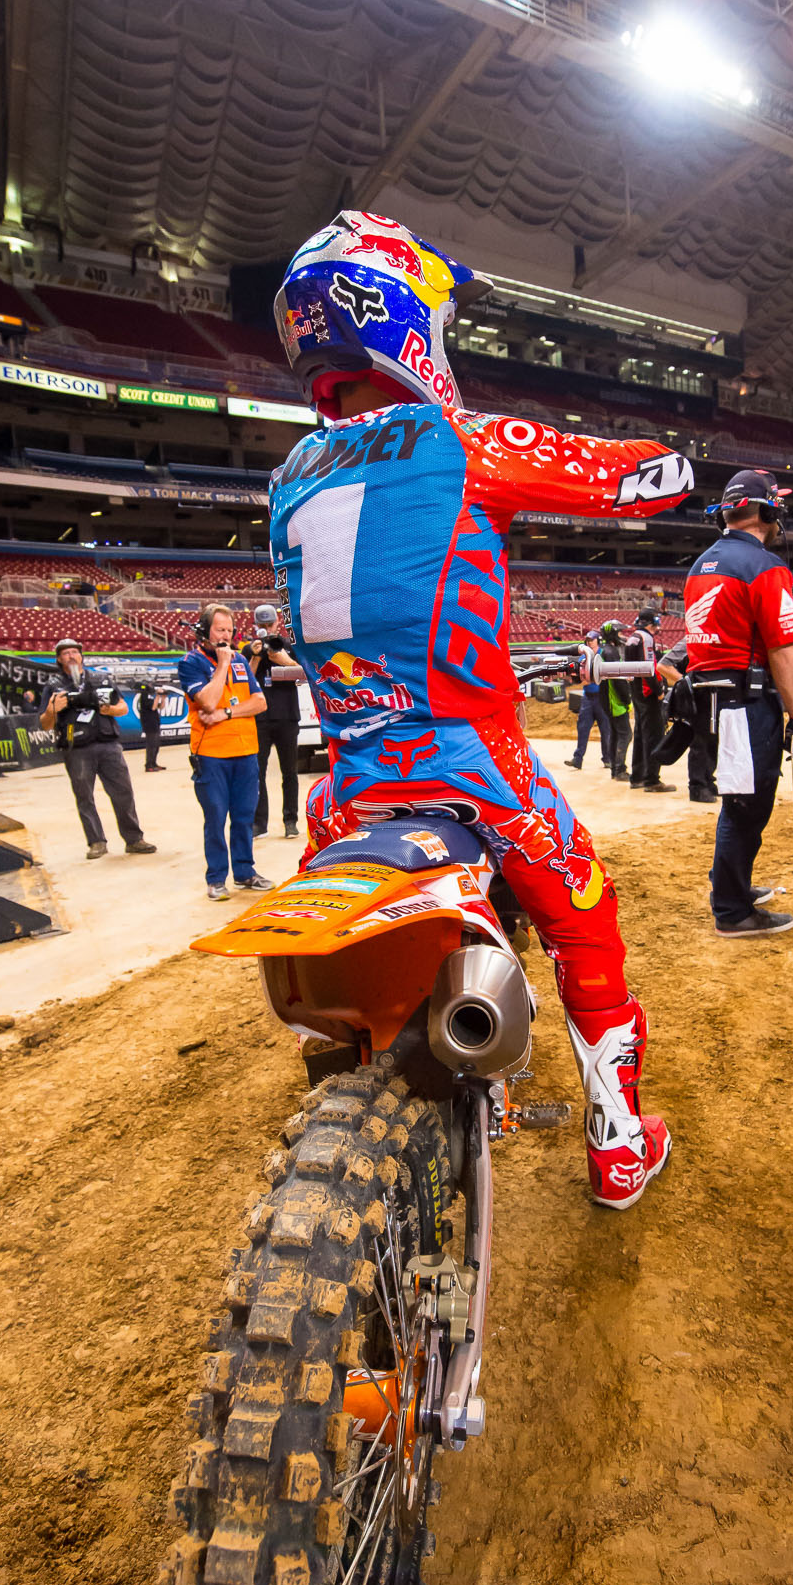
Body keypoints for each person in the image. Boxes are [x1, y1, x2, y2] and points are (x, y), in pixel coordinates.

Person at [270, 207, 694, 1208]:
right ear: (403, 317)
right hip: (472, 764)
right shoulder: (463, 438)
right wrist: (666, 456)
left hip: (347, 788)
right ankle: (618, 1142)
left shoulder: (285, 477)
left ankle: (366, 1060)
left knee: (319, 959)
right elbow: (647, 478)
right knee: (587, 918)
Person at [680, 469, 793, 937]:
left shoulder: (703, 564)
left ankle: (730, 885)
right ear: (768, 510)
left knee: (737, 800)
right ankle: (731, 910)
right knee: (748, 805)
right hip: (749, 703)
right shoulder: (765, 567)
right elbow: (784, 648)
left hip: (715, 701)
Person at [176, 605, 272, 900]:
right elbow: (206, 701)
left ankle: (245, 872)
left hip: (245, 750)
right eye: (220, 630)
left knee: (244, 816)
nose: (226, 636)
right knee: (216, 817)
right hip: (210, 754)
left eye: (230, 630)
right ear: (204, 631)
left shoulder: (242, 661)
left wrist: (226, 714)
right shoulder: (190, 663)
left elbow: (259, 703)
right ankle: (216, 878)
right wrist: (221, 665)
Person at [39, 640, 156, 860]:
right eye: (66, 653)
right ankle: (96, 842)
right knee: (85, 797)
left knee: (123, 792)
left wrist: (109, 709)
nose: (71, 656)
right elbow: (44, 723)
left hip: (108, 743)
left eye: (75, 652)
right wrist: (53, 710)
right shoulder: (53, 685)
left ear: (82, 656)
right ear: (58, 659)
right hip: (76, 748)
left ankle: (133, 839)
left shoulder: (100, 679)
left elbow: (123, 708)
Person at [247, 602, 302, 840]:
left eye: (269, 624)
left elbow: (304, 674)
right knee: (257, 773)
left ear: (277, 622)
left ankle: (291, 820)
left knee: (289, 771)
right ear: (255, 626)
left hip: (287, 716)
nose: (266, 629)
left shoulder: (287, 646)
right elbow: (243, 680)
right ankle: (260, 823)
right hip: (259, 719)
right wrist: (257, 658)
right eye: (262, 625)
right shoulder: (249, 650)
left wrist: (283, 660)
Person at [655, 641, 719, 802]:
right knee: (699, 741)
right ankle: (697, 787)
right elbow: (663, 666)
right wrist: (686, 683)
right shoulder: (690, 640)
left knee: (712, 740)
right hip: (694, 699)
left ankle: (708, 780)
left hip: (713, 695)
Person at [627, 605, 673, 793]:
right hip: (648, 693)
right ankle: (652, 779)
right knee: (653, 735)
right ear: (653, 621)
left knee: (640, 734)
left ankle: (637, 776)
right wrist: (659, 690)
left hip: (636, 692)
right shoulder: (645, 638)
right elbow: (649, 666)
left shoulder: (632, 637)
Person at [563, 628, 609, 772]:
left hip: (602, 698)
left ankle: (608, 759)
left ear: (598, 641)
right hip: (588, 698)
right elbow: (581, 679)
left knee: (606, 730)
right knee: (583, 728)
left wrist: (587, 679)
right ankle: (578, 759)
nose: (589, 642)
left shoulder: (604, 655)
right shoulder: (584, 658)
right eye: (587, 640)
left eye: (591, 640)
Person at [594, 618, 633, 779]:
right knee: (625, 734)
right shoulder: (611, 652)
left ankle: (615, 769)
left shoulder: (606, 650)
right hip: (614, 701)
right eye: (619, 632)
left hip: (608, 700)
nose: (621, 635)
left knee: (616, 734)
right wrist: (627, 698)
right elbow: (618, 680)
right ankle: (620, 769)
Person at [136, 680, 168, 771]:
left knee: (156, 745)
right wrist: (158, 695)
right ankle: (149, 765)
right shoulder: (143, 696)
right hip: (148, 723)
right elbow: (153, 707)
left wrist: (163, 698)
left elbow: (160, 707)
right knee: (151, 745)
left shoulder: (150, 697)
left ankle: (154, 763)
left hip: (155, 723)